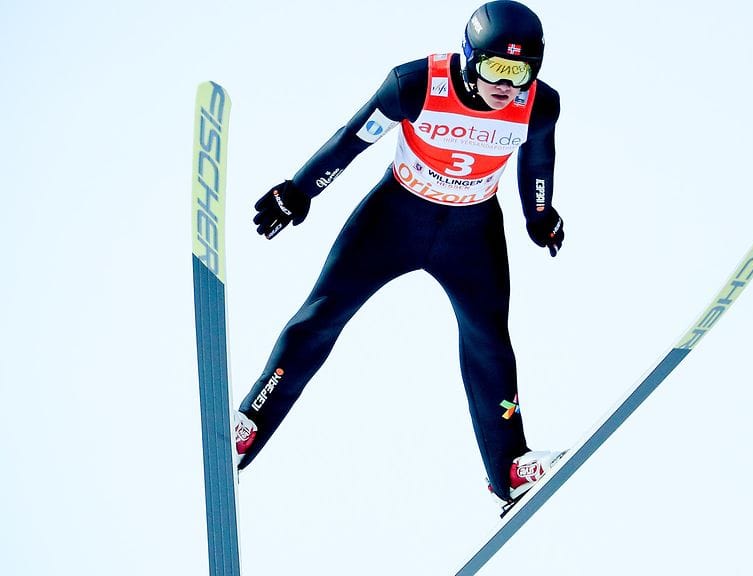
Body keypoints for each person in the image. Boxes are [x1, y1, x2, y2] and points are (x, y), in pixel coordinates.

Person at [232, 0, 565, 505]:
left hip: (471, 234)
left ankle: (509, 469)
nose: (507, 85)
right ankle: (250, 424)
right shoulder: (414, 84)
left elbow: (538, 162)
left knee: (490, 342)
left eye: (521, 72)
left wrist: (539, 216)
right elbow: (351, 139)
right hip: (394, 218)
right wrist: (300, 191)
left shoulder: (538, 104)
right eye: (497, 68)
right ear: (470, 57)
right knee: (321, 315)